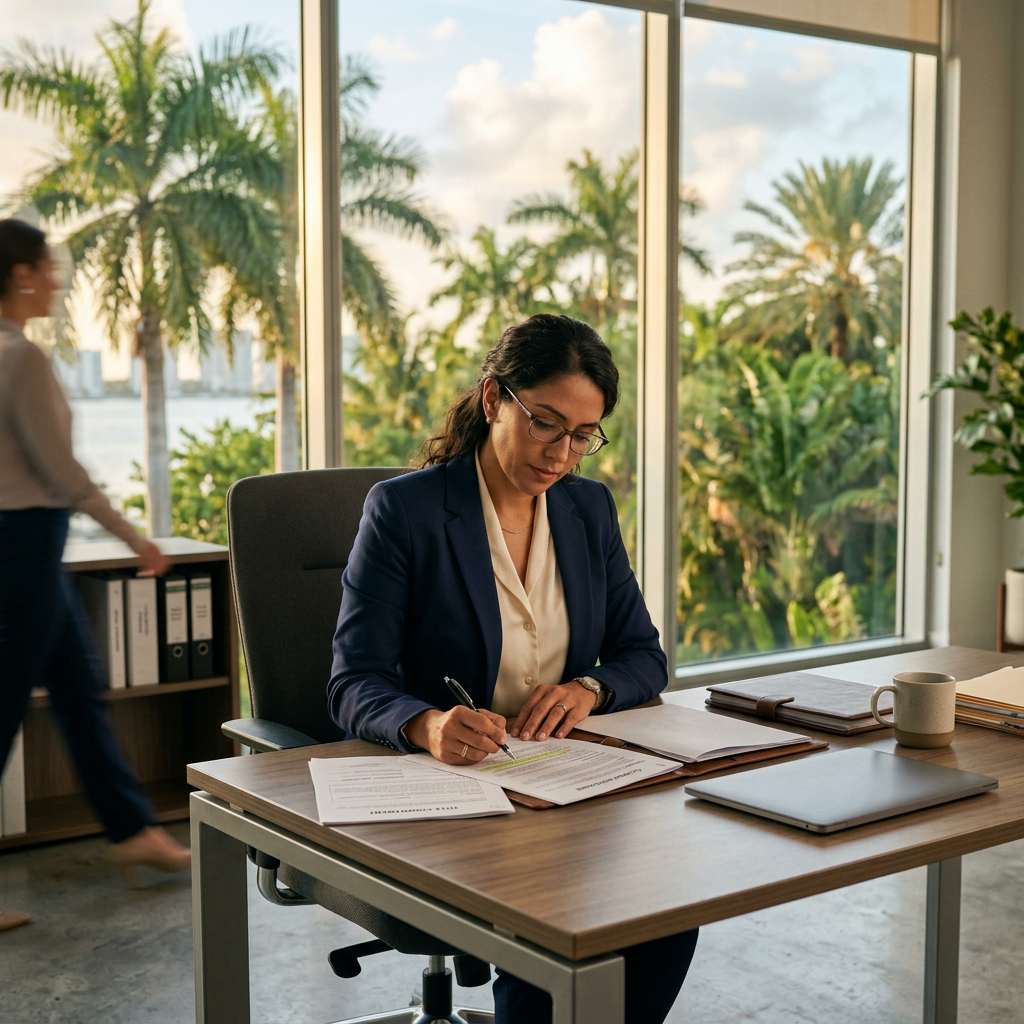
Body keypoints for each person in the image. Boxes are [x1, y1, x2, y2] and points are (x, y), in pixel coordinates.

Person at [329, 313, 698, 1023]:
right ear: (496, 399)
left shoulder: (587, 510)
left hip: (564, 785)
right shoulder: (405, 511)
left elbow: (642, 656)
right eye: (546, 424)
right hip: (456, 795)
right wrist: (427, 724)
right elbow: (353, 681)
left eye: (583, 435)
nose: (562, 453)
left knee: (664, 911)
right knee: (558, 935)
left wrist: (590, 688)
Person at [0, 219, 190, 932]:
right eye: (47, 267)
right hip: (26, 542)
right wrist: (135, 538)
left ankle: (131, 830)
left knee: (80, 692)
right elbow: (64, 474)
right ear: (20, 273)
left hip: (24, 545)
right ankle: (132, 829)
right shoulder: (20, 359)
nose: (56, 279)